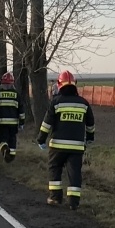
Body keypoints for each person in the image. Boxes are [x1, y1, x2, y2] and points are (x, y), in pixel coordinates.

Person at [37, 70, 95, 209]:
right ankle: (73, 203)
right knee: (74, 173)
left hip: (57, 146)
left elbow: (46, 124)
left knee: (54, 169)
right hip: (76, 148)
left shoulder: (56, 102)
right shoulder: (84, 103)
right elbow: (91, 124)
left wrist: (41, 140)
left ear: (59, 85)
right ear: (74, 84)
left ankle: (55, 198)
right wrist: (90, 138)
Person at [0, 71, 25, 162]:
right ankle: (11, 158)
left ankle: (5, 148)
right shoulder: (16, 94)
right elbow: (21, 110)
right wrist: (22, 122)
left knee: (1, 139)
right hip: (13, 123)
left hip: (2, 123)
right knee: (12, 139)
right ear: (12, 83)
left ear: (2, 83)